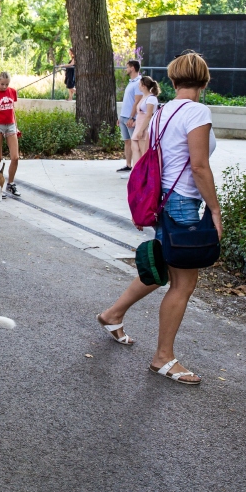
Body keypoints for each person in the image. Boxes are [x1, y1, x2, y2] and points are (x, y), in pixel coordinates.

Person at [96, 52, 220, 386]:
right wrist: (216, 210)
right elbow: (198, 165)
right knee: (184, 282)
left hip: (163, 200)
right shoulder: (197, 111)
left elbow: (154, 153)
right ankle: (163, 358)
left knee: (163, 268)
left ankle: (113, 314)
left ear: (173, 79)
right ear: (205, 80)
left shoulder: (164, 111)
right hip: (181, 203)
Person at [0, 72, 21, 198]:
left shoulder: (12, 92)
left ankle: (11, 183)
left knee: (15, 157)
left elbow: (13, 111)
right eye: (2, 84)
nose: (4, 87)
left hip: (10, 125)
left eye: (6, 84)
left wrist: (16, 127)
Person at [118, 59, 143, 172]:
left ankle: (137, 167)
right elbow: (127, 101)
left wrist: (132, 117)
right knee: (127, 141)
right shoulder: (131, 82)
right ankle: (128, 165)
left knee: (134, 142)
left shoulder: (139, 82)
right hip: (124, 117)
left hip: (130, 118)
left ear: (132, 68)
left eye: (127, 67)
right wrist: (121, 117)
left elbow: (137, 101)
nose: (126, 69)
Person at [131, 75, 161, 159]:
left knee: (143, 151)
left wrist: (141, 130)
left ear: (144, 86)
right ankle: (136, 169)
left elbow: (148, 115)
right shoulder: (144, 97)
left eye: (140, 84)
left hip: (144, 127)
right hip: (139, 125)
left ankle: (142, 170)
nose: (138, 86)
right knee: (135, 148)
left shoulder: (151, 99)